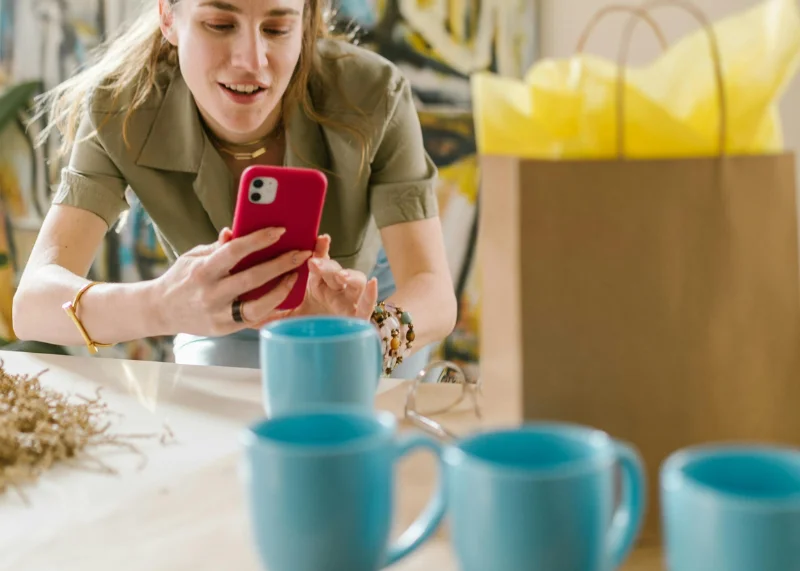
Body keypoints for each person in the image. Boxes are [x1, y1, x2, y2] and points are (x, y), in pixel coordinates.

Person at [11, 0, 457, 377]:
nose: (251, 60)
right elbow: (32, 304)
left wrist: (365, 336)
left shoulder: (374, 91)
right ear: (169, 17)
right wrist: (161, 305)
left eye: (278, 28)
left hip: (368, 309)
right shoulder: (120, 108)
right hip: (212, 312)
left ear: (305, 23)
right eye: (220, 25)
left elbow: (433, 293)